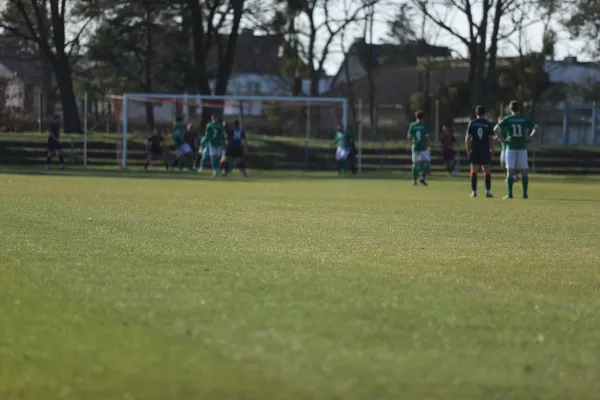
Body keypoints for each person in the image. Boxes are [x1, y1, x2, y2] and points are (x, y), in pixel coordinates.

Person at [494, 100, 538, 199]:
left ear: (510, 109)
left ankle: (510, 194)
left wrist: (502, 140)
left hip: (510, 147)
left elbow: (495, 129)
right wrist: (530, 138)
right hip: (522, 147)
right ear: (519, 109)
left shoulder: (507, 119)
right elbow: (536, 127)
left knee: (510, 171)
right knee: (523, 171)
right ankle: (525, 193)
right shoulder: (523, 119)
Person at [465, 105, 495, 198]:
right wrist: (492, 150)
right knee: (486, 170)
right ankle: (488, 191)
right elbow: (491, 139)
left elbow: (467, 138)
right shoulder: (488, 124)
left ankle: (474, 192)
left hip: (475, 149)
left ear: (476, 113)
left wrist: (468, 149)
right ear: (485, 113)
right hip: (485, 149)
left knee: (474, 170)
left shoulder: (472, 123)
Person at [407, 110, 430, 185]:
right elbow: (427, 138)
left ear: (416, 117)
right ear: (423, 117)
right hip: (423, 147)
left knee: (415, 164)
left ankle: (414, 180)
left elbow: (409, 137)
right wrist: (428, 146)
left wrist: (410, 145)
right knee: (427, 162)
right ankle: (422, 178)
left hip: (415, 147)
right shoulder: (424, 126)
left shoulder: (412, 125)